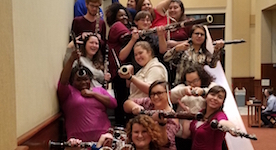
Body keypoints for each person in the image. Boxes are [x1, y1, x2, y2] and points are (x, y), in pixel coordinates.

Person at [57, 48, 117, 142]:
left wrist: (93, 94)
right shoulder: (68, 92)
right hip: (78, 143)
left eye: (86, 79)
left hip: (104, 140)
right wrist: (71, 59)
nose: (83, 82)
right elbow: (63, 81)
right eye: (79, 80)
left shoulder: (99, 90)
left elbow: (113, 103)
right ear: (72, 81)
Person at [170, 64, 216, 150]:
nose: (192, 84)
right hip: (183, 134)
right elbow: (170, 96)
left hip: (203, 132)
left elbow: (216, 93)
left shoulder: (210, 86)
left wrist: (202, 92)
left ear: (201, 78)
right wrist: (184, 91)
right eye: (189, 82)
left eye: (195, 81)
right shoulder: (182, 87)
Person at [123, 80, 179, 150]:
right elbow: (127, 104)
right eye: (152, 94)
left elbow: (163, 143)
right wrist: (135, 107)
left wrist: (162, 124)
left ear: (168, 93)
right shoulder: (148, 102)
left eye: (159, 93)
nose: (155, 97)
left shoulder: (172, 117)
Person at [181, 85, 237, 150]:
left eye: (220, 97)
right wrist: (187, 116)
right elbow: (185, 134)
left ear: (222, 102)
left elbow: (223, 122)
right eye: (212, 94)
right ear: (206, 97)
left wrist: (232, 128)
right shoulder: (201, 113)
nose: (215, 98)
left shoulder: (220, 115)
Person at [67, 115, 167, 150]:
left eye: (144, 131)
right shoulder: (122, 148)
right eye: (136, 132)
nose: (140, 136)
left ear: (151, 133)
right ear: (130, 134)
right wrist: (99, 145)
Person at [106, 2, 132, 127]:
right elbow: (127, 38)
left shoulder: (123, 26)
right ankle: (121, 127)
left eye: (126, 15)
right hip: (119, 71)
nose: (124, 18)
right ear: (115, 18)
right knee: (122, 102)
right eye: (121, 15)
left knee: (123, 101)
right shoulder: (117, 26)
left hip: (121, 71)